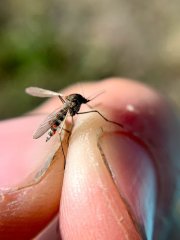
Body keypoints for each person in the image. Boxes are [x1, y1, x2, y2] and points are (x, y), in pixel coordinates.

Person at [0, 78, 179, 239]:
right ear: (78, 102)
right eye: (82, 102)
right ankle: (57, 143)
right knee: (66, 129)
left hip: (60, 117)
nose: (83, 103)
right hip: (54, 125)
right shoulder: (71, 106)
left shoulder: (72, 103)